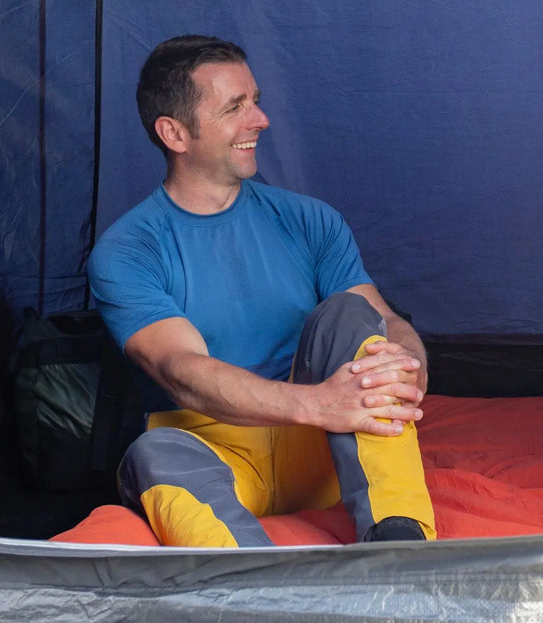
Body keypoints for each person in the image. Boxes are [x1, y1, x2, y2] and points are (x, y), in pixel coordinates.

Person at [88, 35, 436, 547]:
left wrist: (409, 366)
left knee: (349, 312)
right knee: (153, 453)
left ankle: (401, 540)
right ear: (175, 133)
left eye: (256, 101)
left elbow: (379, 318)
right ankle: (260, 587)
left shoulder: (310, 219)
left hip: (324, 454)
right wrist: (317, 404)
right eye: (236, 107)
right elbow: (182, 373)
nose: (260, 120)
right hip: (219, 453)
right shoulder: (127, 250)